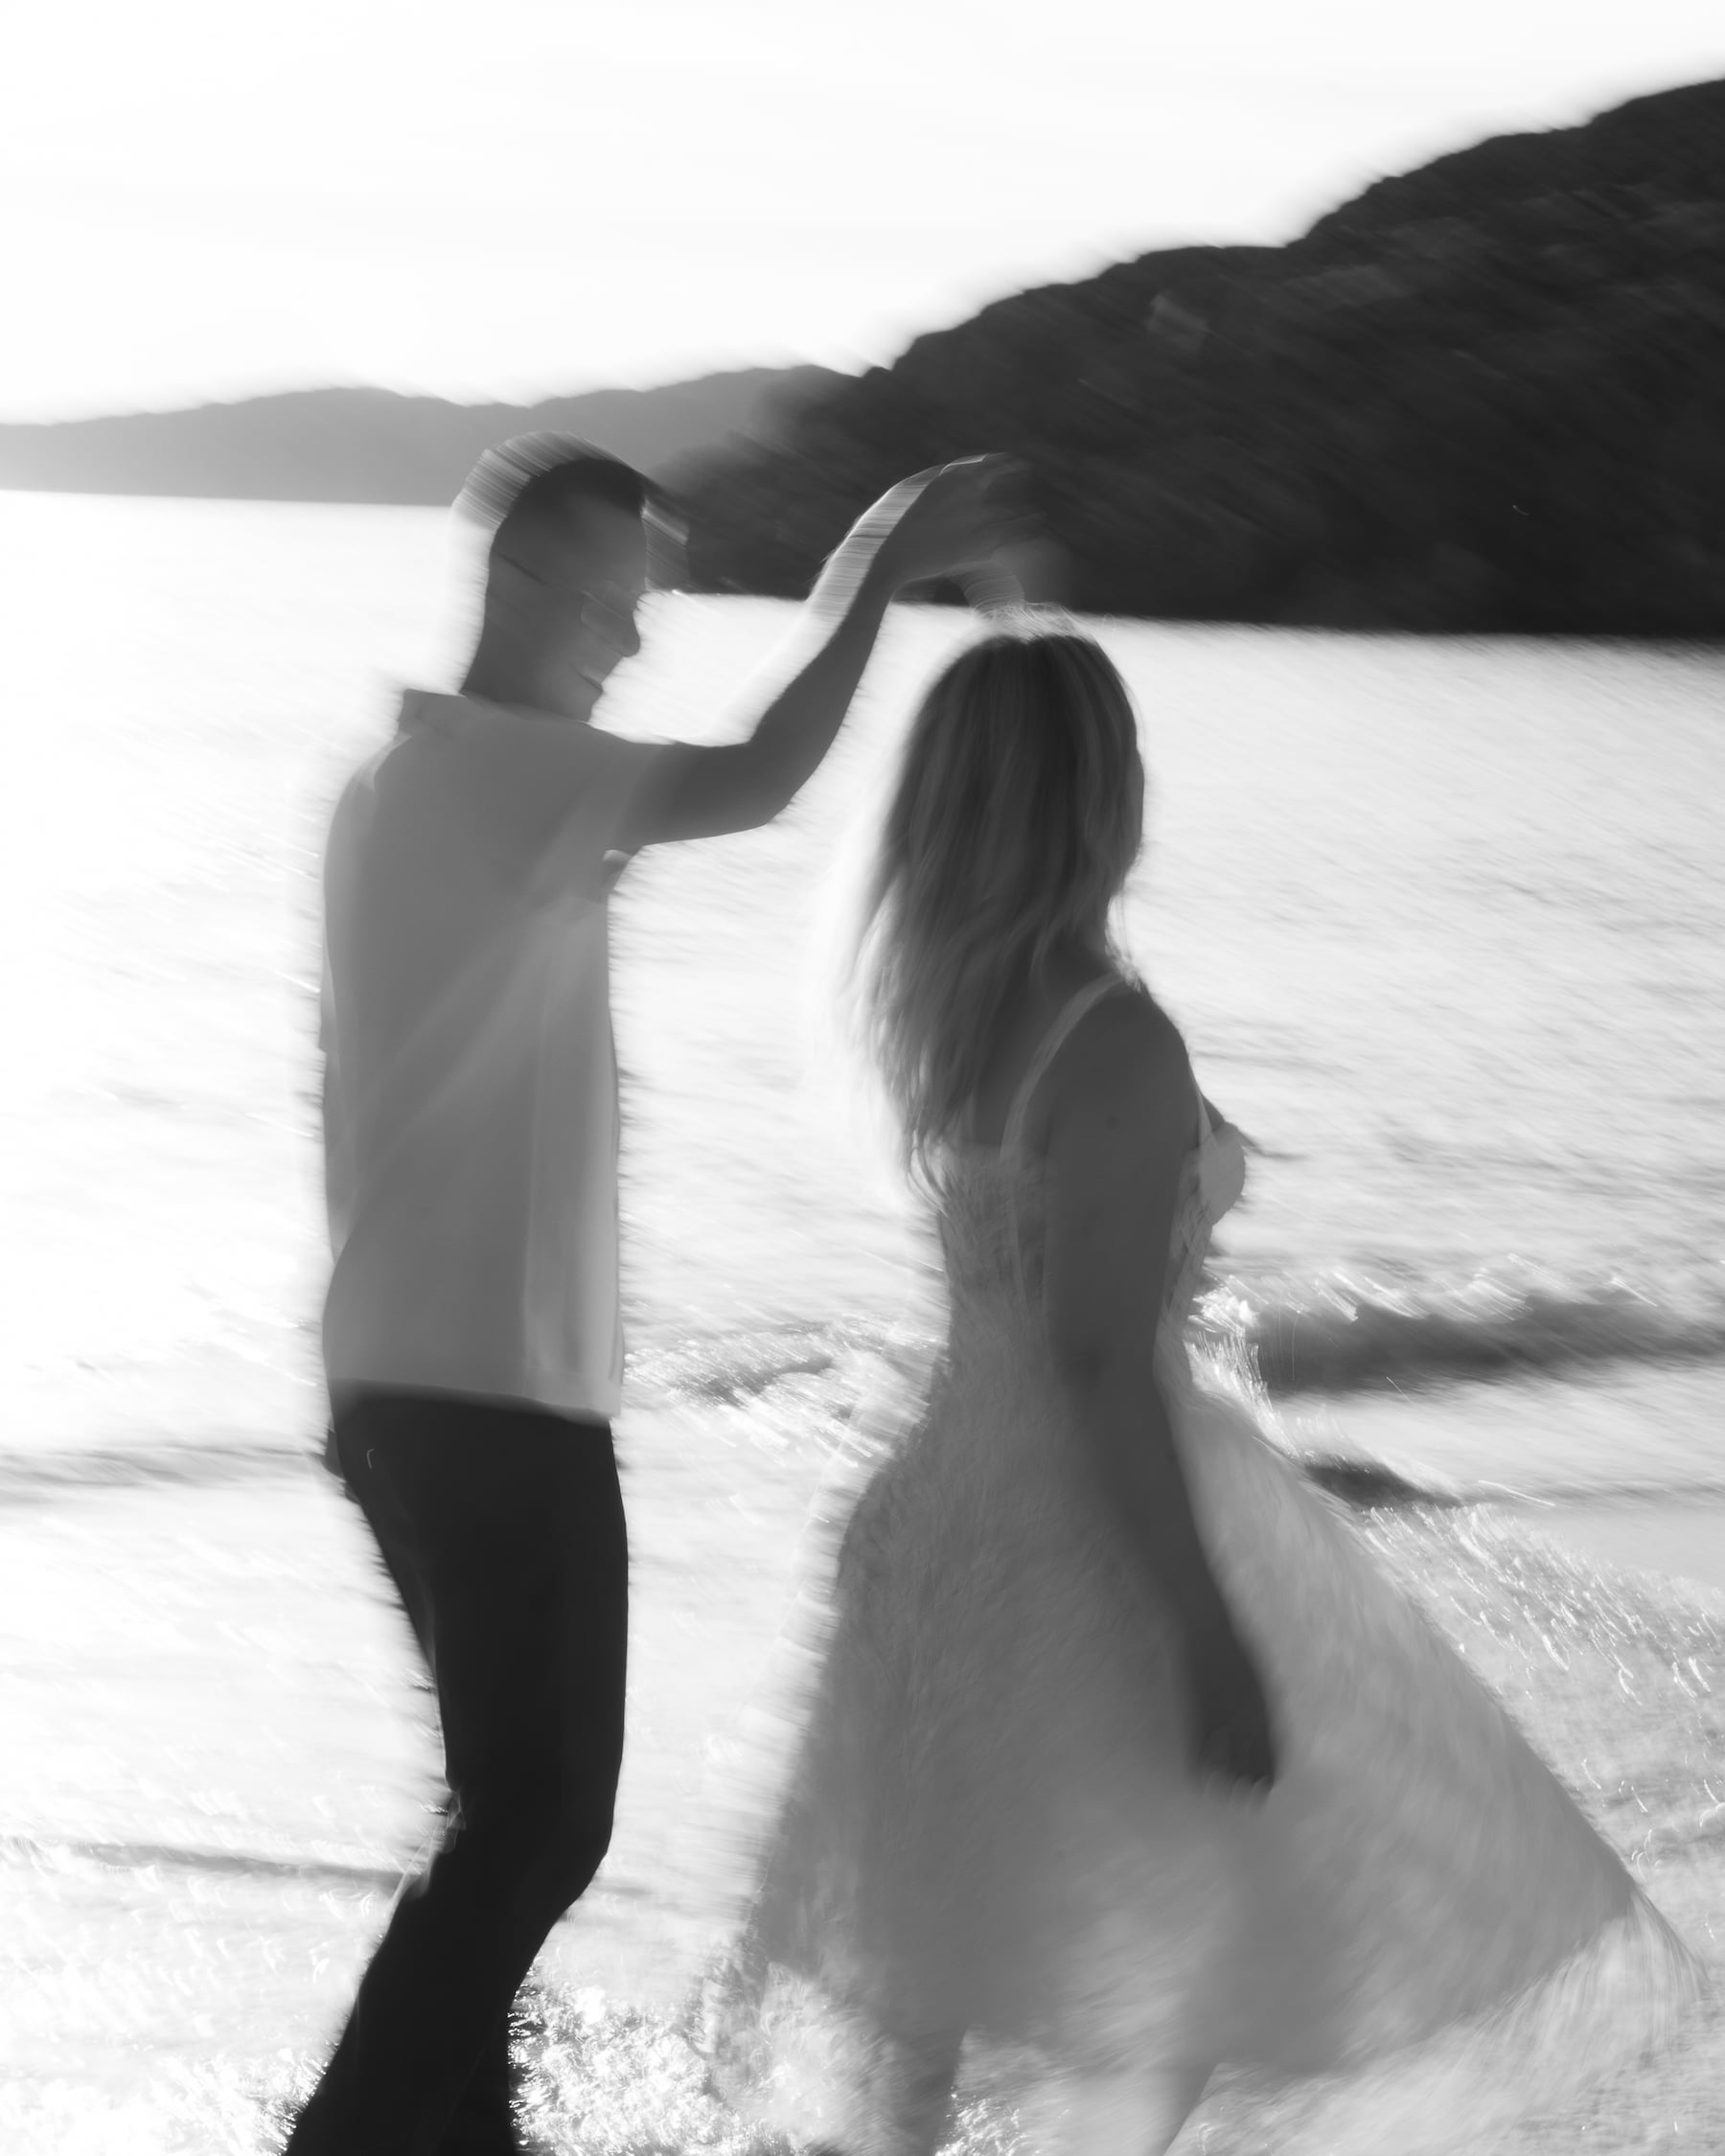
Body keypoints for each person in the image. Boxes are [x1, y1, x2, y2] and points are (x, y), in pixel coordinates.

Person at [706, 624, 1705, 2156]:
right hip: (1071, 1531)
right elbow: (1097, 1358)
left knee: (943, 1967)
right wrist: (1205, 1632)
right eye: (1125, 758)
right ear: (1094, 796)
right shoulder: (1111, 1038)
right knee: (1185, 1953)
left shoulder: (954, 1014)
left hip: (939, 1502)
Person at [287, 437, 1014, 2156]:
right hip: (485, 1386)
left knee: (502, 1811)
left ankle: (462, 2134)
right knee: (540, 1822)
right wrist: (879, 563)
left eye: (649, 608)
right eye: (617, 601)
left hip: (409, 1377)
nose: (633, 639)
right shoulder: (502, 774)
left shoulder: (418, 778)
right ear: (522, 581)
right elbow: (759, 775)